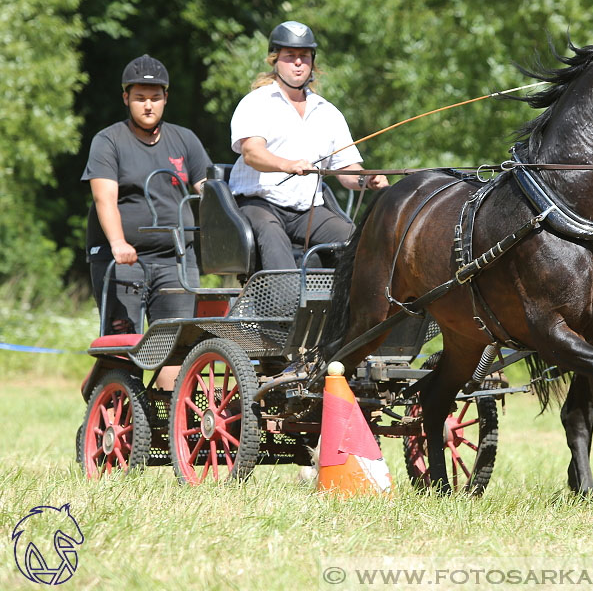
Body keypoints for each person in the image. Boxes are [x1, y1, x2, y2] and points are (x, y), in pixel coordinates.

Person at [82, 55, 210, 375]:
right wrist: (118, 243)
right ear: (126, 99)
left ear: (166, 98)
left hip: (176, 260)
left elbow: (209, 190)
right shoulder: (108, 141)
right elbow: (104, 198)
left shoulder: (185, 139)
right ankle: (113, 408)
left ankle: (171, 421)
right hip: (123, 260)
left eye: (155, 97)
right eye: (140, 98)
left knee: (176, 350)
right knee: (121, 349)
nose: (148, 105)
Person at [228, 20, 387, 270]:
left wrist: (365, 180)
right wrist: (287, 165)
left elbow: (346, 169)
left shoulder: (328, 112)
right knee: (275, 245)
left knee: (359, 243)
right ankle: (281, 304)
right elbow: (252, 153)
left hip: (307, 211)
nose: (298, 62)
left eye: (304, 56)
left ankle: (346, 306)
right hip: (259, 204)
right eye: (290, 56)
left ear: (313, 61)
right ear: (275, 60)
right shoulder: (256, 102)